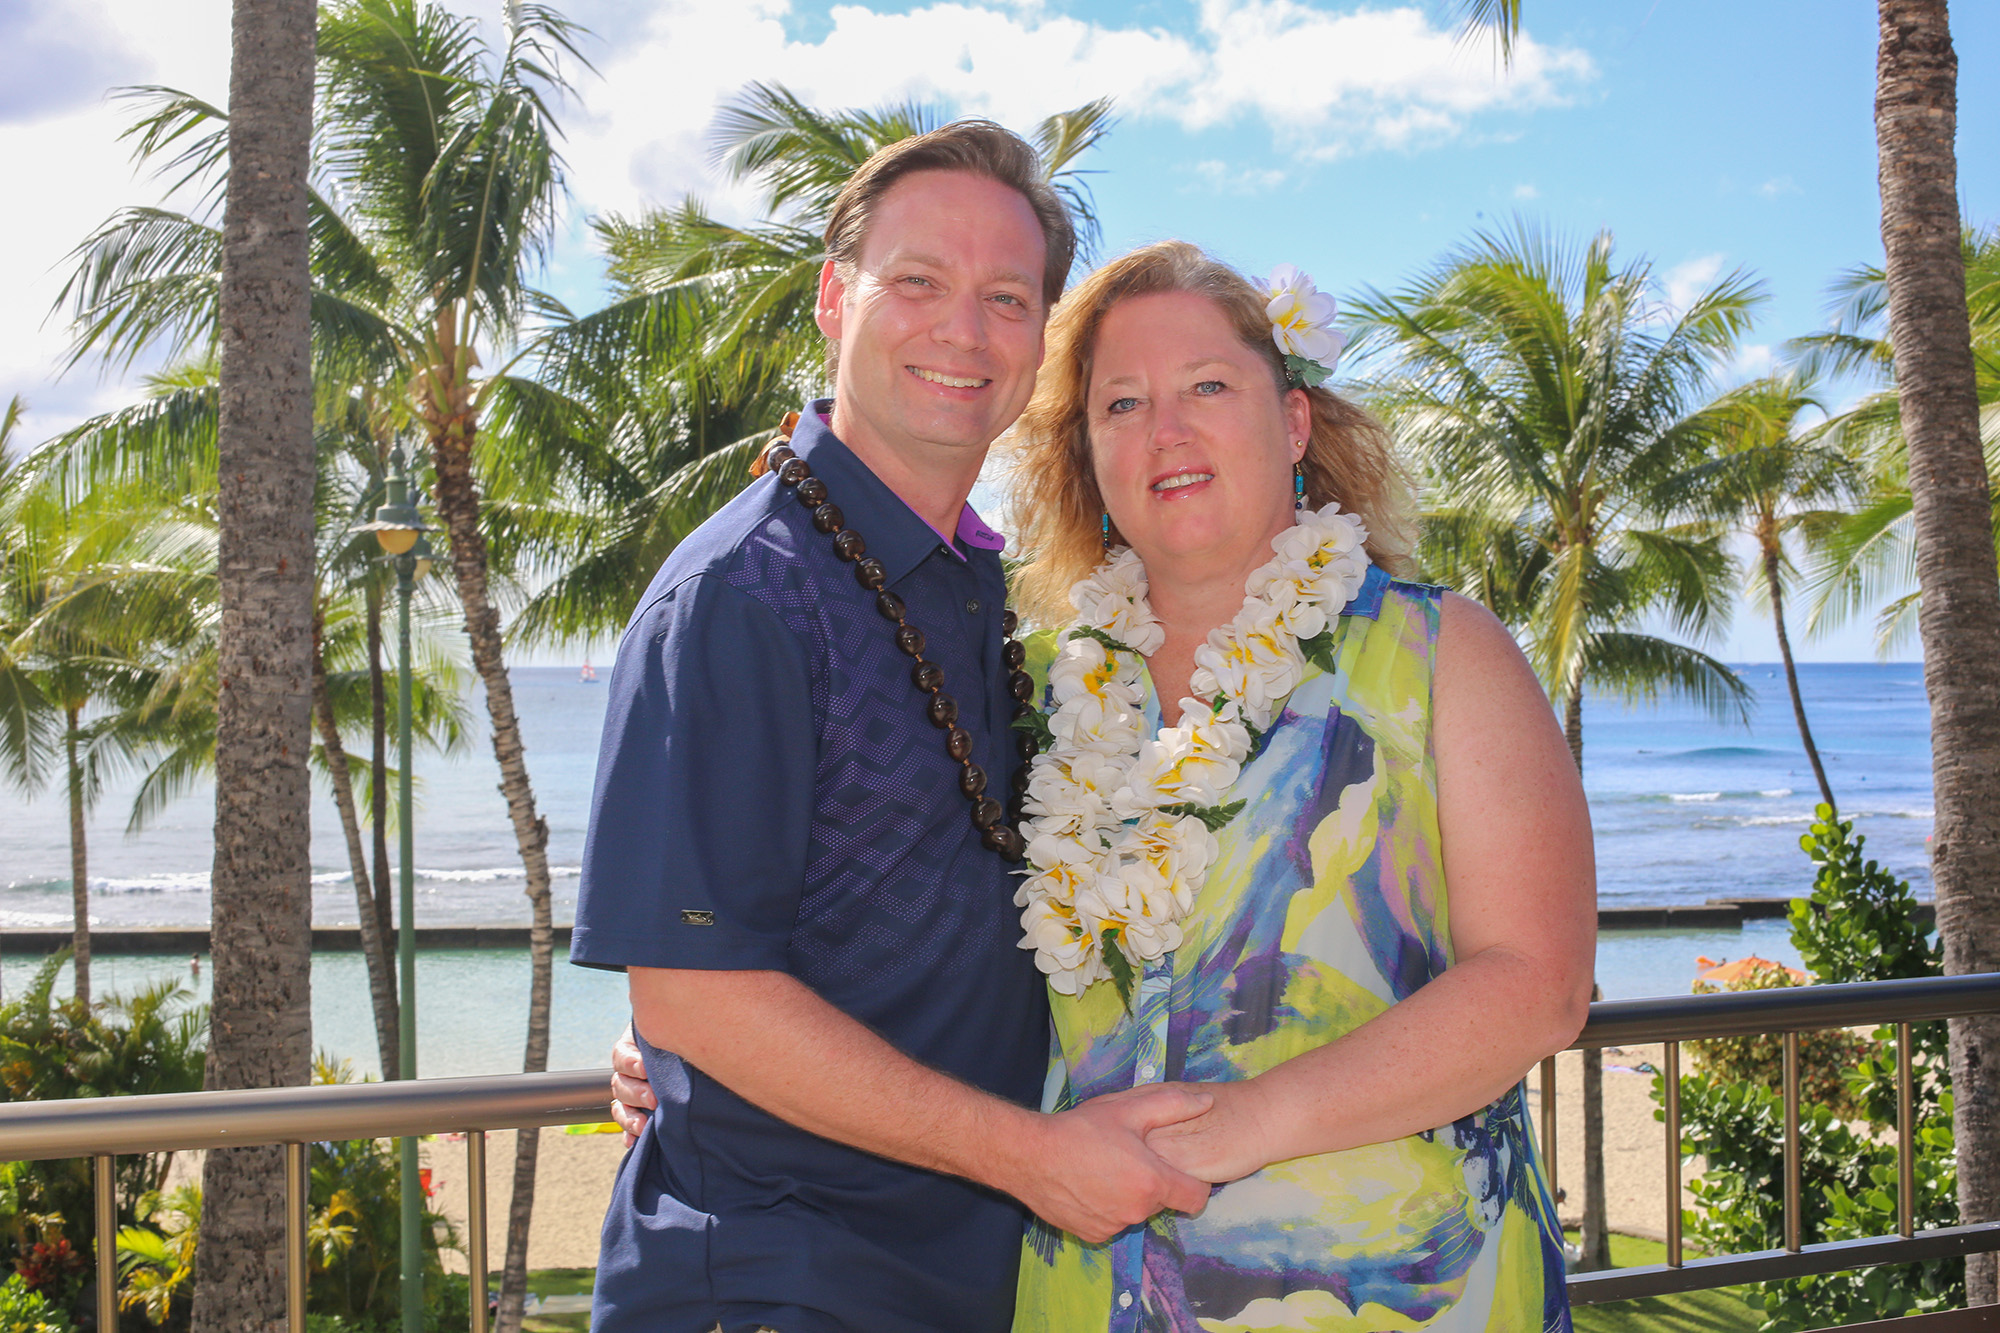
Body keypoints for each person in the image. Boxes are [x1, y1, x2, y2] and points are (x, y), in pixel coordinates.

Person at [572, 123, 1214, 1333]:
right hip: (781, 1283)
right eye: (915, 281)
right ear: (834, 297)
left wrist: (700, 1007)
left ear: (1038, 339)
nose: (960, 331)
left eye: (1004, 297)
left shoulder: (990, 594)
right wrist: (1029, 1153)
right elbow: (698, 997)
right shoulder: (740, 594)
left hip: (964, 1283)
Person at [997, 240, 1594, 1328]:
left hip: (1400, 1293)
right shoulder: (1021, 689)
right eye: (1119, 403)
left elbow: (1537, 983)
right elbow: (888, 918)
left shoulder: (1440, 653)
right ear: (1085, 455)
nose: (1164, 428)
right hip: (1081, 1294)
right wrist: (685, 1054)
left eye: (1207, 386)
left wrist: (1240, 1122)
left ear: (1296, 423)